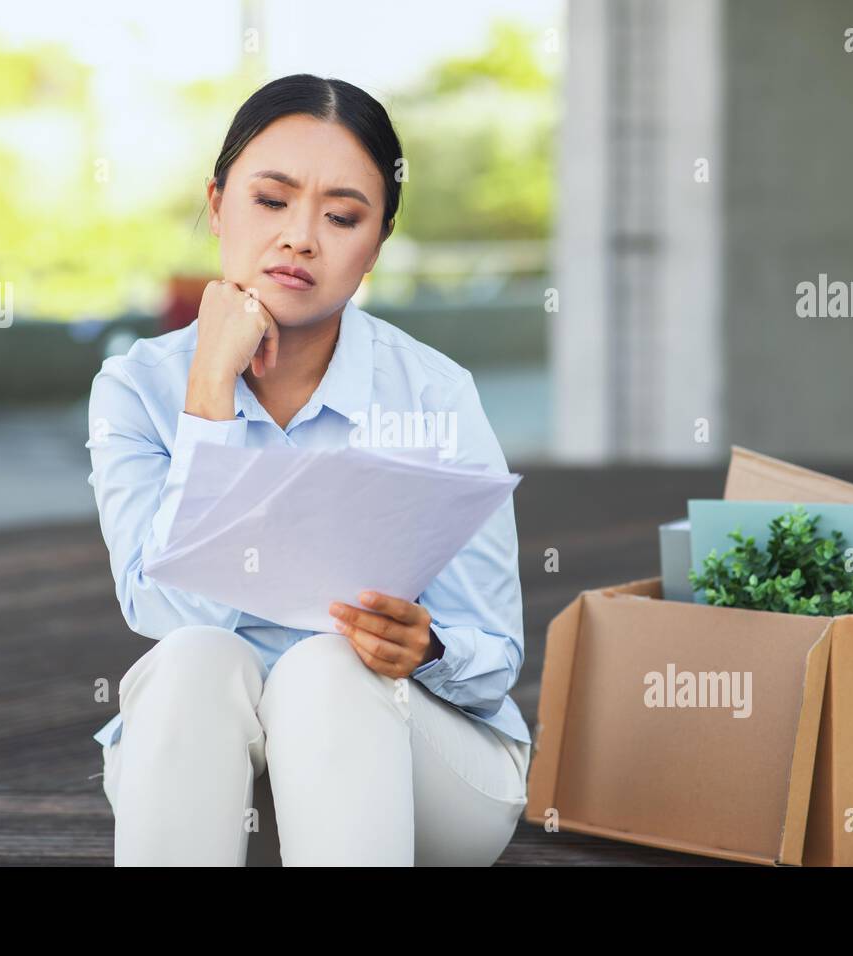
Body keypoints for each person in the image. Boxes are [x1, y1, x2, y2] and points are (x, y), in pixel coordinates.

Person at [86, 74, 531, 866]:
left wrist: (426, 650)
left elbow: (494, 659)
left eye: (342, 216)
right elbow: (164, 611)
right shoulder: (138, 389)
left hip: (418, 770)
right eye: (271, 200)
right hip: (217, 775)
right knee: (192, 656)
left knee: (326, 666)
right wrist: (208, 393)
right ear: (218, 203)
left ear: (377, 243)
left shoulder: (432, 392)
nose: (300, 237)